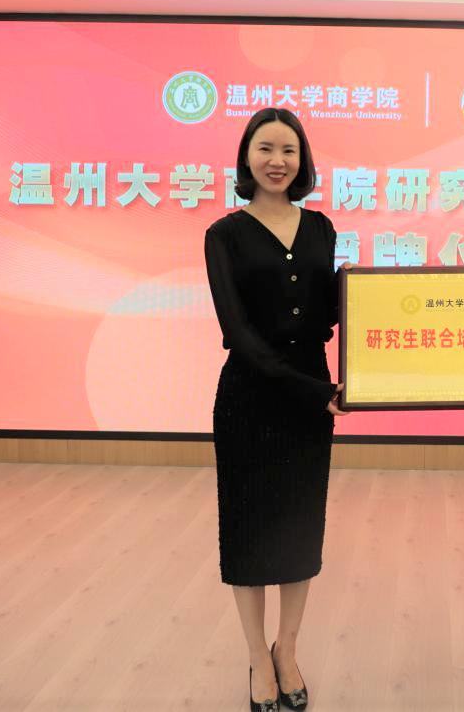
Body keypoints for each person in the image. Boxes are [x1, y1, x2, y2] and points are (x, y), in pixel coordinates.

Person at [204, 107, 348, 712]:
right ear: (246, 157)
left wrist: (385, 303)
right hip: (251, 397)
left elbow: (330, 311)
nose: (277, 161)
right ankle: (256, 658)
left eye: (289, 150)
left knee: (298, 529)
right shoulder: (224, 234)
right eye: (265, 148)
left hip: (310, 396)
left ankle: (286, 649)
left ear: (302, 160)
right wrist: (314, 391)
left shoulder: (320, 227)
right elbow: (238, 332)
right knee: (248, 532)